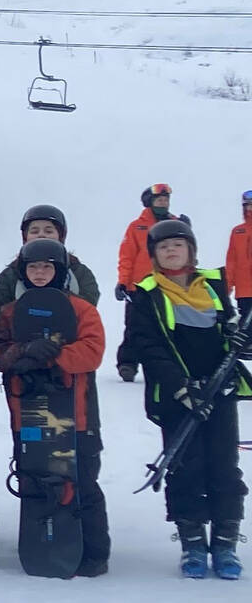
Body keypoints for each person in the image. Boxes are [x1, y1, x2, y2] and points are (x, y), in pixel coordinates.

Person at [126, 218, 248, 578]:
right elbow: (147, 345)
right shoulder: (145, 293)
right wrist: (181, 386)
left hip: (219, 389)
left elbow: (228, 328)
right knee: (185, 467)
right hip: (178, 396)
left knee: (224, 466)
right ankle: (193, 543)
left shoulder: (212, 283)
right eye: (164, 247)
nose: (171, 251)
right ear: (154, 256)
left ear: (190, 250)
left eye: (178, 245)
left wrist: (238, 337)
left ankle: (225, 543)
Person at [0, 238, 109, 576]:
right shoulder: (11, 311)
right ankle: (43, 542)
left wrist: (54, 356)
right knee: (38, 481)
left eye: (47, 267)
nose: (40, 273)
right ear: (23, 272)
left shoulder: (81, 309)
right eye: (33, 267)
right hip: (28, 412)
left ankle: (93, 551)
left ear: (59, 271)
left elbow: (93, 351)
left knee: (83, 482)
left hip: (76, 415)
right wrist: (20, 354)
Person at [117, 183, 185, 380]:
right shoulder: (137, 226)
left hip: (169, 284)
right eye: (159, 199)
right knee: (134, 325)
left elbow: (185, 253)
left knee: (170, 325)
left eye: (166, 199)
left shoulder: (176, 224)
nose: (163, 202)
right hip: (139, 286)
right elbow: (127, 256)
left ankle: (170, 364)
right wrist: (123, 282)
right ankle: (128, 363)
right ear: (150, 202)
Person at [0, 204, 102, 304]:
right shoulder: (11, 275)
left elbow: (88, 308)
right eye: (34, 231)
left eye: (48, 231)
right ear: (25, 237)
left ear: (61, 236)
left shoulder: (78, 272)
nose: (41, 235)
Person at [227, 192, 252, 322]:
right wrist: (227, 285)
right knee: (246, 331)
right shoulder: (237, 231)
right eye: (248, 205)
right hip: (244, 292)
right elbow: (231, 260)